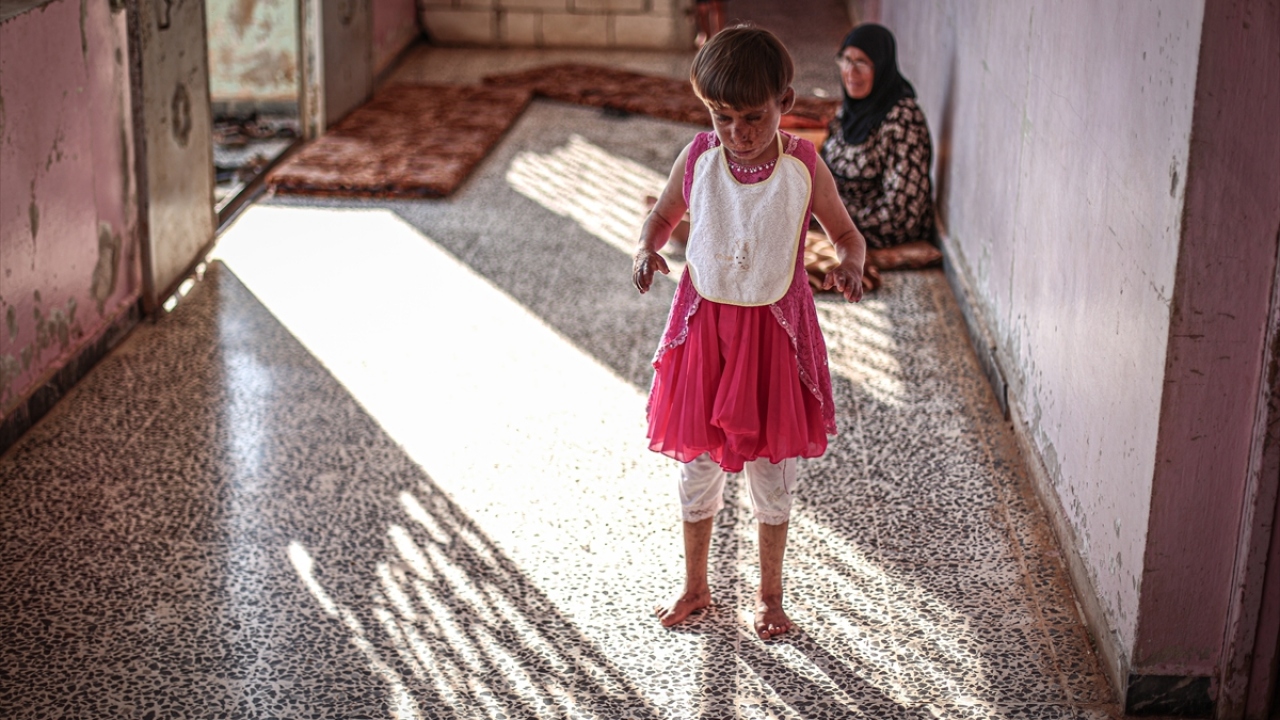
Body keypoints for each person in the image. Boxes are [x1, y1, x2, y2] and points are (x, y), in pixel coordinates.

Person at [632, 25, 867, 640]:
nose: (737, 132)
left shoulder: (803, 165)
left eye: (753, 117)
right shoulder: (699, 157)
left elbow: (847, 234)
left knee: (772, 471)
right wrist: (646, 248)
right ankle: (695, 586)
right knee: (698, 467)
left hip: (773, 342)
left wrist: (850, 263)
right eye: (722, 117)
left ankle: (770, 597)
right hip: (705, 337)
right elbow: (662, 215)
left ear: (784, 102)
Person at [820, 23, 939, 288]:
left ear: (882, 66)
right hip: (839, 219)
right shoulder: (848, 111)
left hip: (884, 226)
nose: (851, 72)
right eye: (846, 60)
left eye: (862, 63)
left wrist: (836, 224)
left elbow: (901, 212)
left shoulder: (903, 120)